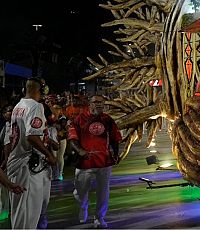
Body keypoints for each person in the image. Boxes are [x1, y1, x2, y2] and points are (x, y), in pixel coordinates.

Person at [6, 79, 56, 230]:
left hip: (17, 163)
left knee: (20, 212)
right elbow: (31, 136)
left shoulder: (18, 106)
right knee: (29, 214)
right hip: (28, 166)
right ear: (41, 90)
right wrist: (49, 154)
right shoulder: (35, 106)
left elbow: (10, 139)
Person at [68, 95, 121, 229]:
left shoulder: (107, 120)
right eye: (96, 102)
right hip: (85, 163)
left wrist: (116, 154)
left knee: (103, 192)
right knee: (80, 192)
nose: (99, 105)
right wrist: (80, 151)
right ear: (89, 104)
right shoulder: (79, 119)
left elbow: (115, 138)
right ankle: (83, 205)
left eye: (101, 102)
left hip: (104, 162)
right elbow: (72, 139)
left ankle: (99, 218)